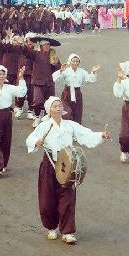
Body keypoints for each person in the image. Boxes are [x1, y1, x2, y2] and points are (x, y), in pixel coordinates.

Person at [26, 96, 110, 245]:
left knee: (68, 197)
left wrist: (101, 135)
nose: (58, 108)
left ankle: (67, 231)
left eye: (59, 106)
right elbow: (30, 139)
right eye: (55, 106)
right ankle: (51, 227)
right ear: (49, 110)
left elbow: (85, 134)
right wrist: (36, 142)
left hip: (68, 164)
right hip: (49, 164)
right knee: (47, 197)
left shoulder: (70, 125)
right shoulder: (44, 125)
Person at [52, 54, 99, 124]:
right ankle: (66, 129)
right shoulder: (66, 70)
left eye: (77, 61)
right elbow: (55, 78)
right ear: (70, 62)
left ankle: (76, 131)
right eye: (73, 61)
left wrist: (93, 71)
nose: (75, 63)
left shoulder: (82, 71)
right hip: (66, 94)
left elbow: (90, 79)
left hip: (77, 94)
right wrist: (61, 71)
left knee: (77, 114)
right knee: (67, 113)